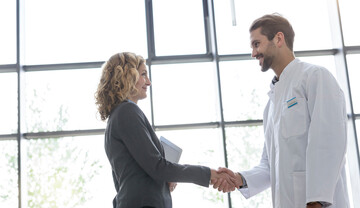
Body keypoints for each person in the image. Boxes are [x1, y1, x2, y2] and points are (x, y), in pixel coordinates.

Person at [214, 14, 350, 208]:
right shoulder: (271, 106)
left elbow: (328, 142)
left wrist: (316, 201)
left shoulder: (315, 77)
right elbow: (269, 166)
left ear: (278, 39)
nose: (253, 53)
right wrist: (239, 179)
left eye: (256, 44)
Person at [95, 52, 235, 208]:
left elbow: (135, 174)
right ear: (128, 76)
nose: (148, 82)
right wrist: (209, 174)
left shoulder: (118, 115)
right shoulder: (127, 112)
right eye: (143, 75)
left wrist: (166, 176)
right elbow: (158, 168)